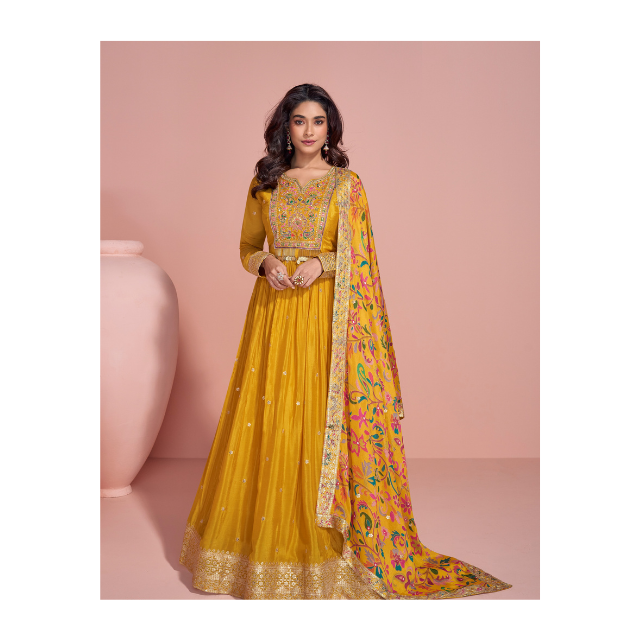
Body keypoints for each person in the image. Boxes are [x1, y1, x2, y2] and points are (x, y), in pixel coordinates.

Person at [179, 83, 512, 599]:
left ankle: (324, 552)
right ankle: (261, 552)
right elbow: (247, 247)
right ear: (285, 128)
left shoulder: (347, 186)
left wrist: (323, 263)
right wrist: (266, 263)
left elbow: (362, 257)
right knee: (270, 420)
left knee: (318, 421)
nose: (309, 131)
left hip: (327, 320)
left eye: (318, 121)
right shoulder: (265, 183)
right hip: (273, 315)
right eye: (299, 121)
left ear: (330, 127)